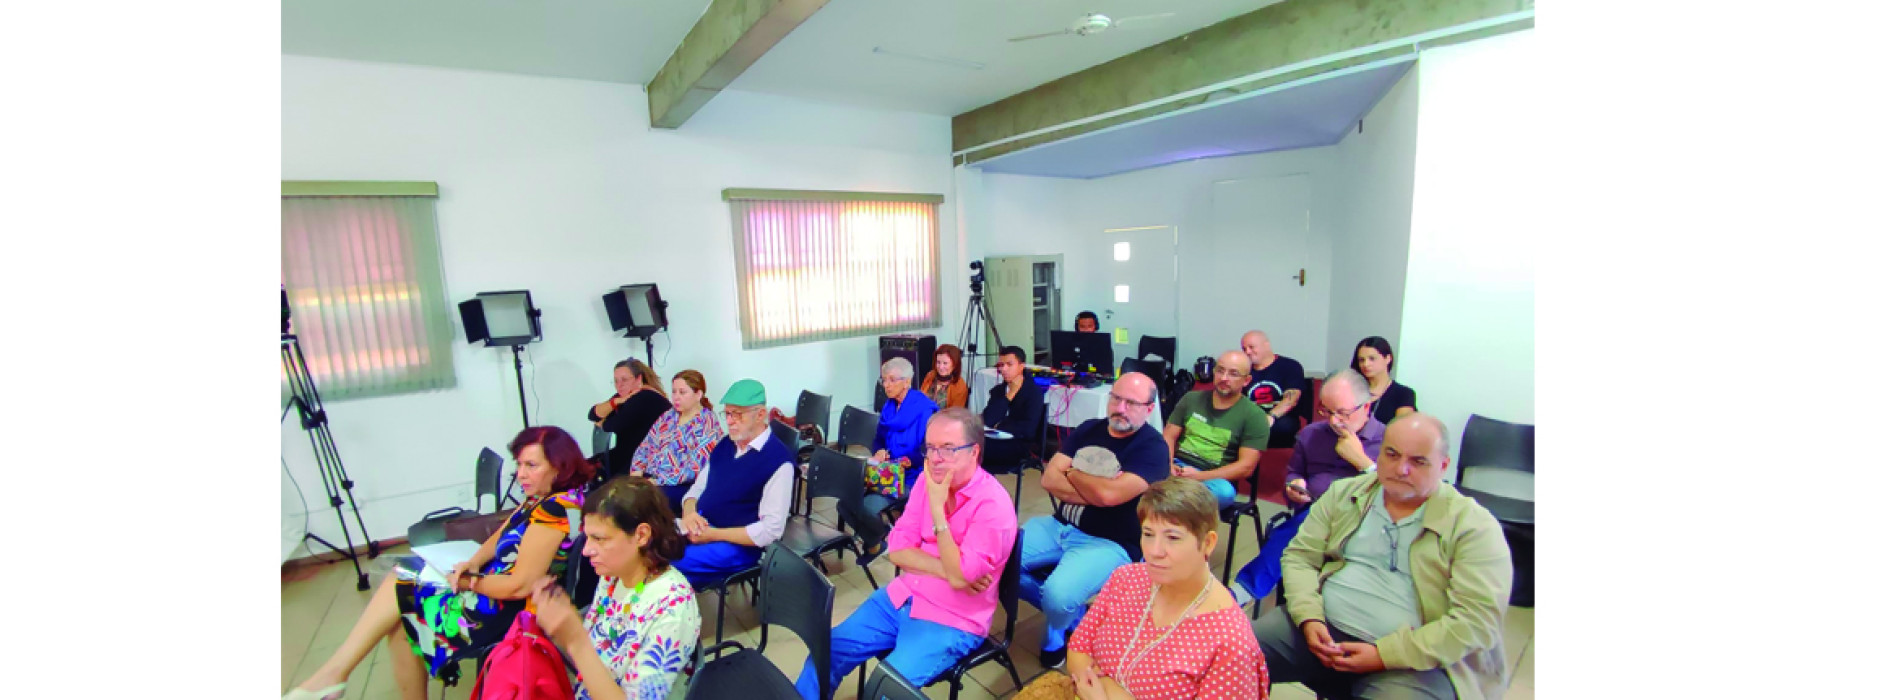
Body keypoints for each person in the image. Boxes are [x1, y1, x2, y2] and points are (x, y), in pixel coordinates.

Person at [283, 427, 593, 700]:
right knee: (401, 606)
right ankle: (333, 676)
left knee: (400, 582)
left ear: (559, 466)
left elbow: (519, 586)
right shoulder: (541, 498)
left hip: (510, 611)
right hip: (494, 590)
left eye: (531, 465)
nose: (521, 474)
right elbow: (498, 538)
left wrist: (469, 581)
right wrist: (470, 563)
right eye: (519, 464)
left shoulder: (554, 511)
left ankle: (332, 676)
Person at [1253, 413, 1513, 700]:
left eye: (1418, 461)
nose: (1401, 469)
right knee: (1225, 653)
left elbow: (1477, 621)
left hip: (1416, 659)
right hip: (1320, 630)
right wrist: (1308, 617)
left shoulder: (1473, 525)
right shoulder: (1344, 494)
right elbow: (1300, 557)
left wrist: (1385, 655)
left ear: (1443, 466)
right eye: (1392, 454)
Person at [793, 409, 1019, 700]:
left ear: (974, 451)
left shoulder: (993, 506)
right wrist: (948, 570)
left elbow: (960, 577)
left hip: (952, 619)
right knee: (824, 655)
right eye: (931, 448)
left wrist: (938, 513)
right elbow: (898, 549)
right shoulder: (928, 480)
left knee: (881, 692)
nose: (936, 459)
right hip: (902, 596)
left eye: (948, 449)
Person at [1065, 478, 1272, 700]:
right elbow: (1079, 647)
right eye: (1148, 534)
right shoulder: (1126, 578)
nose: (1155, 551)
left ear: (1208, 543)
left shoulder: (1230, 641)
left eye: (1173, 538)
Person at [1024, 372, 1171, 668]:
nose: (1121, 408)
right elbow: (1049, 479)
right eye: (1116, 398)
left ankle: (1056, 629)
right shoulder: (1089, 428)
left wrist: (1074, 472)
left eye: (1132, 403)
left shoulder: (1152, 448)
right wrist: (1099, 487)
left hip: (1109, 542)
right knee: (999, 560)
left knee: (1056, 595)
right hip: (1059, 526)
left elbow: (1110, 497)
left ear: (1149, 408)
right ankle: (1075, 616)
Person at [528, 475, 700, 700]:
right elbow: (598, 652)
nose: (587, 550)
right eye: (587, 537)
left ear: (641, 535)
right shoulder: (614, 576)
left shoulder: (672, 609)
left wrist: (575, 641)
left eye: (599, 539)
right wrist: (557, 627)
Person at [674, 379, 795, 588]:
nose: (729, 421)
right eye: (727, 414)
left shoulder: (778, 462)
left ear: (760, 415)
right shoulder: (726, 444)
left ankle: (659, 600)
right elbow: (698, 487)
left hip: (738, 545)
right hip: (703, 525)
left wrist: (711, 535)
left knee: (664, 562)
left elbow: (770, 531)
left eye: (737, 414)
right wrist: (690, 513)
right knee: (647, 548)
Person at [1162, 351, 1270, 510]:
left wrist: (1199, 477)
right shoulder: (1191, 399)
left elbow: (1246, 467)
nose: (1224, 378)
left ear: (1246, 380)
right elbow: (1169, 436)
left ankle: (1170, 502)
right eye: (1220, 370)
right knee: (1142, 468)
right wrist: (1168, 463)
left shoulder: (1255, 416)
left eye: (1233, 374)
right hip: (1178, 467)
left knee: (1224, 493)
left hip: (1213, 477)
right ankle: (1176, 504)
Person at [628, 369, 725, 514]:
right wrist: (636, 475)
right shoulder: (668, 416)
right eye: (674, 392)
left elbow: (695, 469)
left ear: (698, 394)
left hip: (679, 485)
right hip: (651, 479)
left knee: (641, 503)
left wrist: (657, 481)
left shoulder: (706, 422)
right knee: (621, 494)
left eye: (682, 392)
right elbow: (646, 446)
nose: (676, 397)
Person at [866, 357, 938, 516]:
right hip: (889, 470)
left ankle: (889, 537)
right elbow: (879, 439)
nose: (886, 385)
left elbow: (929, 450)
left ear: (907, 382)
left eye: (892, 380)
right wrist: (879, 451)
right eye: (884, 380)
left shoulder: (924, 409)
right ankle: (883, 536)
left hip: (915, 476)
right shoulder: (889, 406)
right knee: (849, 498)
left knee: (868, 506)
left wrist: (907, 461)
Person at [589, 358, 672, 474]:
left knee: (589, 472)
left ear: (639, 379)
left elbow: (613, 425)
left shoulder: (645, 396)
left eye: (624, 380)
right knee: (585, 468)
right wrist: (616, 402)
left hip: (647, 461)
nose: (619, 385)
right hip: (629, 455)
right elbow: (593, 414)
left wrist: (602, 423)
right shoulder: (625, 397)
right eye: (616, 381)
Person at [980, 345, 1046, 472]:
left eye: (1009, 365)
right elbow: (988, 419)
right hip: (995, 440)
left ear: (1021, 366)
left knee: (978, 450)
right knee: (970, 444)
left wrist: (999, 426)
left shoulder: (1033, 393)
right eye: (1001, 365)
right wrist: (1009, 395)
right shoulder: (999, 390)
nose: (1004, 369)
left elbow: (1028, 430)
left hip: (1019, 445)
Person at [1240, 330, 1307, 449]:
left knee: (1284, 427)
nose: (1247, 352)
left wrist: (1271, 416)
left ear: (1266, 345)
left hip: (1281, 417)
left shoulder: (1289, 366)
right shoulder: (1244, 370)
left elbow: (1292, 399)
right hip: (1252, 418)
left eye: (1251, 347)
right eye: (1244, 349)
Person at [1351, 336, 1418, 424]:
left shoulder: (1403, 393)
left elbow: (1402, 431)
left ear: (1388, 358)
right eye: (1361, 360)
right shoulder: (1352, 390)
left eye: (1372, 358)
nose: (1366, 364)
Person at [920, 343, 970, 410]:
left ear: (954, 365)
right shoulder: (930, 375)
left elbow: (954, 414)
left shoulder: (959, 385)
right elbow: (920, 399)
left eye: (945, 363)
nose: (940, 367)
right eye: (938, 362)